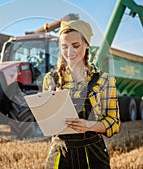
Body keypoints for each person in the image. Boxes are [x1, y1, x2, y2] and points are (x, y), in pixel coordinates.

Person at [43, 20, 120, 169]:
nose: (70, 52)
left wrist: (88, 125)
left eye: (76, 46)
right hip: (60, 153)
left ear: (87, 45)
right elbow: (46, 123)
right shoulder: (50, 80)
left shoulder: (104, 80)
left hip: (93, 154)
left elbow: (114, 123)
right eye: (64, 47)